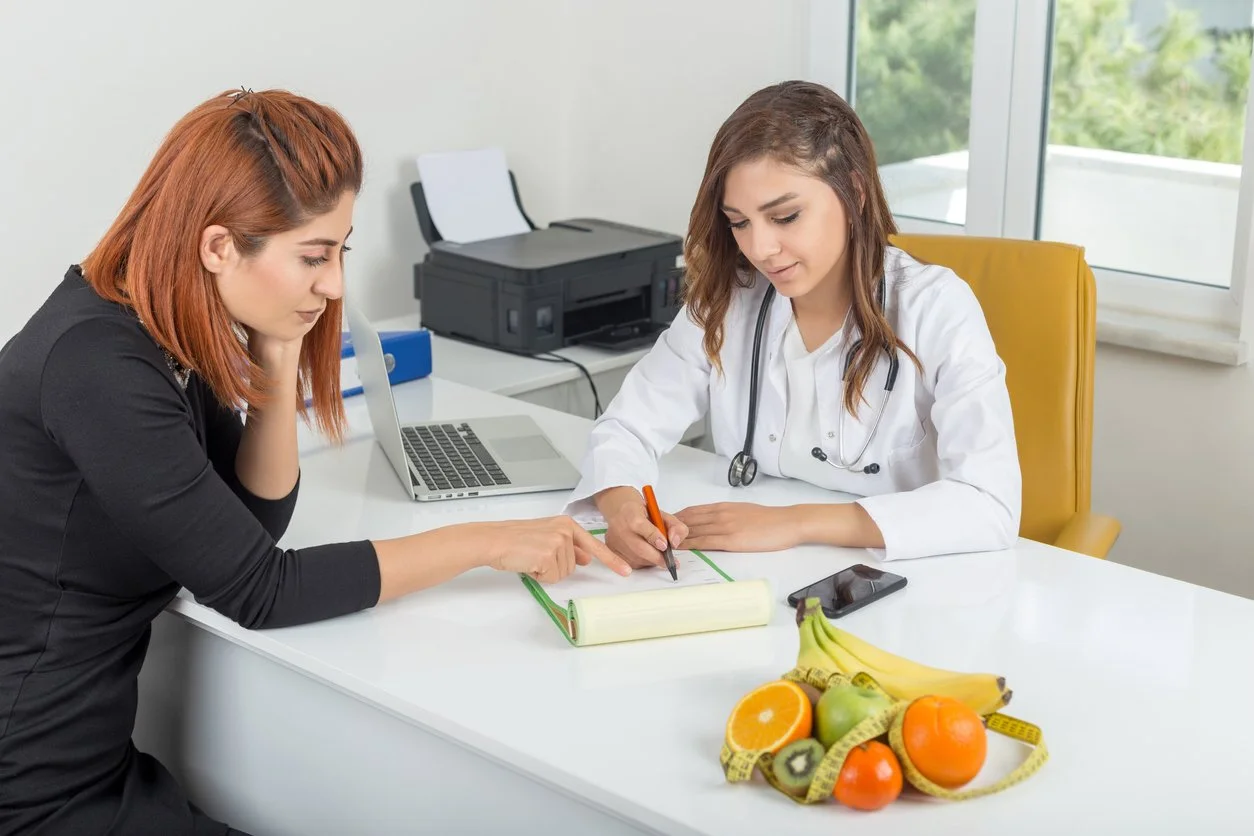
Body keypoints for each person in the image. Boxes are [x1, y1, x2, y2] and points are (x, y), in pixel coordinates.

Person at [0, 88, 627, 836]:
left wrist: (281, 348)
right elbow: (262, 590)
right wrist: (489, 542)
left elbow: (251, 520)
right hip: (35, 792)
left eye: (340, 251)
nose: (333, 284)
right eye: (313, 256)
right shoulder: (97, 364)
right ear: (218, 247)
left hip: (86, 766)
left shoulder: (153, 329)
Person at [566, 80, 1022, 569]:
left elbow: (988, 503)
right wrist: (623, 506)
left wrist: (793, 523)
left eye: (784, 217)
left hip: (897, 579)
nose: (760, 249)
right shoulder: (732, 296)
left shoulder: (936, 307)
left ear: (857, 193)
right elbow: (628, 427)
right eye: (739, 222)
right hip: (754, 570)